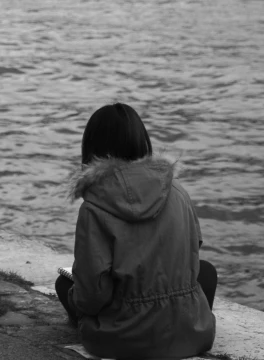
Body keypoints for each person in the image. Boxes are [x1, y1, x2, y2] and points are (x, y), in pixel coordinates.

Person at [55, 103, 216, 359]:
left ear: (92, 148)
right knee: (206, 271)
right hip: (191, 333)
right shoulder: (177, 192)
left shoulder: (94, 206)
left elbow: (94, 293)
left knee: (65, 285)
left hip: (123, 338)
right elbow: (192, 254)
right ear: (143, 141)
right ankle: (178, 327)